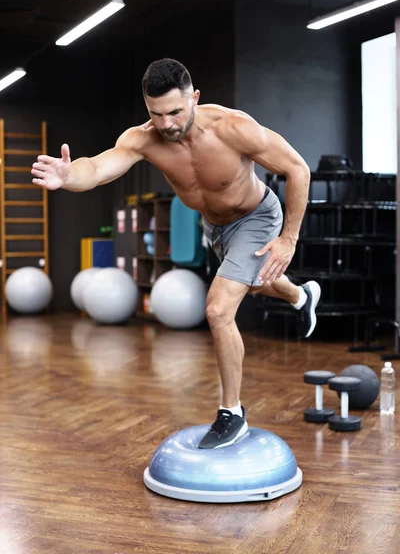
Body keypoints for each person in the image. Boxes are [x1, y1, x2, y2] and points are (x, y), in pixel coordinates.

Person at [31, 58, 321, 449]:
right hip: (214, 225)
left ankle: (232, 413)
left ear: (195, 98)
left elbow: (298, 169)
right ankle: (301, 295)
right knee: (252, 284)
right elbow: (98, 168)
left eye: (174, 111)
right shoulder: (144, 138)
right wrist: (69, 177)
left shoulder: (233, 127)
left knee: (219, 308)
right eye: (155, 113)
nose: (165, 123)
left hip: (256, 216)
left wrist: (288, 239)